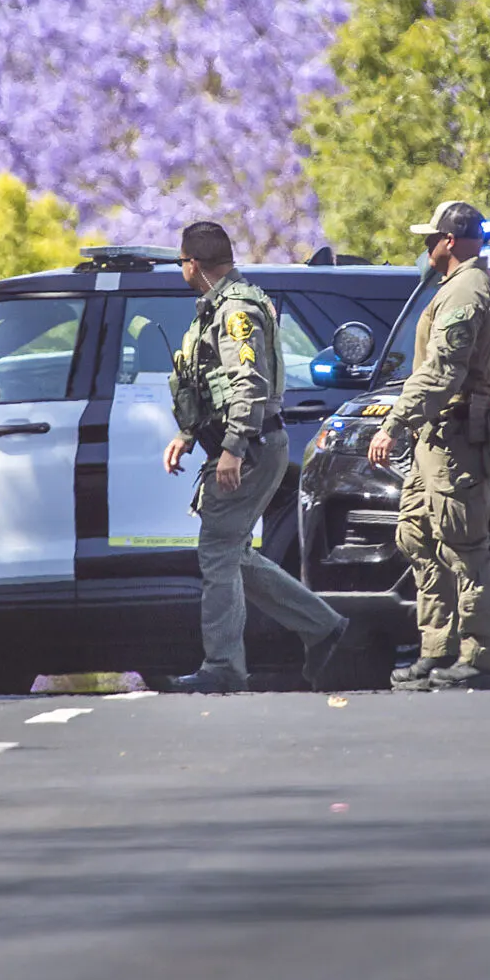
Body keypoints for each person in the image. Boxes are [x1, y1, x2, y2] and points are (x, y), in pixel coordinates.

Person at [157, 221, 352, 694]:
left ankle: (224, 666)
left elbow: (249, 384)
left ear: (194, 265)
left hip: (250, 446)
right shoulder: (220, 306)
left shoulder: (236, 311)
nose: (181, 271)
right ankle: (323, 627)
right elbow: (211, 383)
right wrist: (188, 433)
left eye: (182, 263)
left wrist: (232, 448)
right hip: (249, 443)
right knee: (234, 552)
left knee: (218, 552)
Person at [368, 201, 490, 691]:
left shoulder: (467, 291)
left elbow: (443, 370)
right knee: (417, 534)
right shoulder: (452, 288)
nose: (426, 245)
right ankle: (438, 648)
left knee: (463, 546)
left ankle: (481, 657)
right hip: (437, 441)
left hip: (456, 441)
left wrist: (395, 421)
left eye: (431, 237)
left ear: (450, 240)